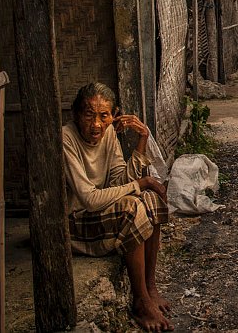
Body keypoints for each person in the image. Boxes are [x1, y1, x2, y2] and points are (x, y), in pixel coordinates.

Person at [63, 82, 173, 332]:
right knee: (132, 206)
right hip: (76, 222)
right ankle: (140, 300)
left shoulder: (108, 132)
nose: (96, 124)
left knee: (151, 198)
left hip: (100, 214)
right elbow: (89, 199)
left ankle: (150, 286)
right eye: (89, 114)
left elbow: (118, 181)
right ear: (76, 114)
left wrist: (142, 140)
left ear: (114, 115)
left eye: (104, 116)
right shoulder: (66, 138)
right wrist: (138, 184)